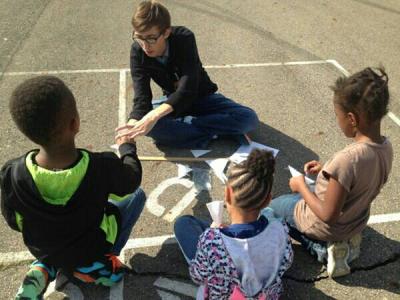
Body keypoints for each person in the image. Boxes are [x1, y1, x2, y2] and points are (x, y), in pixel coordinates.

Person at [0, 76, 146, 298]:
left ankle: (44, 266)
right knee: (138, 196)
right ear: (74, 123)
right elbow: (132, 179)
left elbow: (14, 222)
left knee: (52, 235)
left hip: (46, 247)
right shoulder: (101, 166)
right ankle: (92, 266)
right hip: (89, 247)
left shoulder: (12, 173)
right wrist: (127, 148)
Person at [267, 67, 393, 278]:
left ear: (352, 119)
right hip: (357, 218)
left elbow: (327, 215)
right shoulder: (385, 146)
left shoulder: (347, 159)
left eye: (338, 115)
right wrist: (326, 170)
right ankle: (347, 239)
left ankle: (323, 249)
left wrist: (300, 185)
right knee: (303, 193)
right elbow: (358, 174)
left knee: (271, 210)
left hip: (329, 224)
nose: (338, 120)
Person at [116, 0, 259, 149]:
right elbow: (142, 97)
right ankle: (220, 131)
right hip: (172, 101)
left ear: (166, 32)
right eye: (139, 37)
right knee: (147, 126)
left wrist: (153, 116)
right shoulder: (137, 52)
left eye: (151, 38)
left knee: (249, 119)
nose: (145, 45)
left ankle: (190, 128)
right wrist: (132, 125)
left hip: (202, 96)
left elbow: (188, 88)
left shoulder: (184, 38)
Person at [174, 149, 293, 299]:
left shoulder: (211, 241)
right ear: (267, 200)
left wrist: (211, 235)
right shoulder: (280, 230)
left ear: (227, 194)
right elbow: (286, 261)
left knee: (183, 223)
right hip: (266, 295)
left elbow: (197, 275)